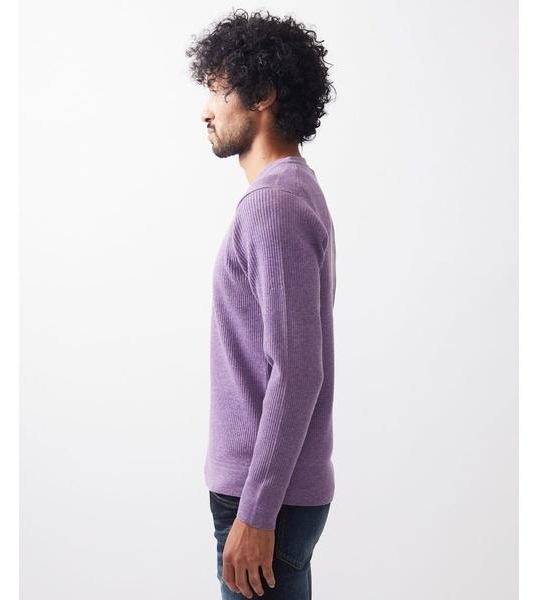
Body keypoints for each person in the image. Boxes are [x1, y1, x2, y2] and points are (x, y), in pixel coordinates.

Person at [185, 8, 337, 599]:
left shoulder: (274, 206)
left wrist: (256, 512)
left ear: (263, 95)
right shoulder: (292, 192)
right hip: (270, 491)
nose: (206, 110)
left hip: (263, 496)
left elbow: (297, 371)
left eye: (218, 90)